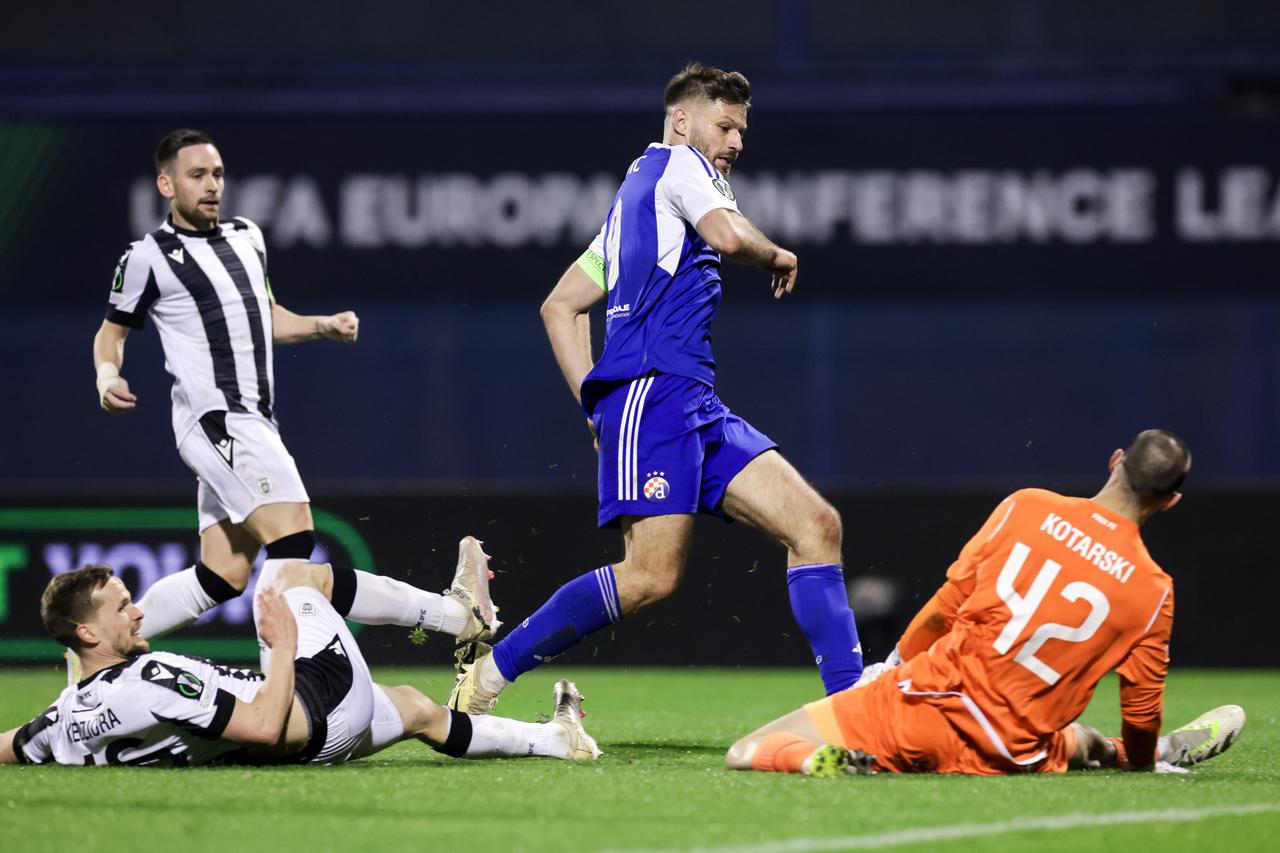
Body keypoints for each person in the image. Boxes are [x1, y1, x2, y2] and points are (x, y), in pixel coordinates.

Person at [448, 63, 862, 713]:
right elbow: (726, 235)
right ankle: (489, 674)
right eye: (725, 126)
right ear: (682, 121)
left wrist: (594, 405)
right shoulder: (679, 167)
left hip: (691, 402)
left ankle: (852, 710)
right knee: (649, 576)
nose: (736, 142)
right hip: (656, 393)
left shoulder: (633, 203)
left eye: (742, 131)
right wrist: (777, 253)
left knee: (816, 526)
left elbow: (560, 306)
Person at [93, 129, 487, 654]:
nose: (212, 185)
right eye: (197, 175)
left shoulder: (246, 236)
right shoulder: (147, 257)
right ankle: (447, 618)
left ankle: (100, 652)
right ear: (166, 184)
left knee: (222, 574)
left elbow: (267, 317)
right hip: (218, 420)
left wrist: (323, 325)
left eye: (217, 174)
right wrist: (108, 376)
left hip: (252, 419)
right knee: (295, 540)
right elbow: (111, 333)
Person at [725, 429, 1246, 776]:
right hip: (1014, 749)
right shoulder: (1153, 589)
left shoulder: (1028, 506)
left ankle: (816, 760)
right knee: (1083, 743)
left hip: (920, 708)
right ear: (1170, 501)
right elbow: (1141, 708)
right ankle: (1161, 754)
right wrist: (1143, 760)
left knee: (747, 750)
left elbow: (947, 605)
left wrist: (891, 667)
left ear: (1115, 461)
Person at [0, 562, 598, 767]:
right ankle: (459, 615)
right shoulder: (149, 679)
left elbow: (11, 745)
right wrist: (283, 646)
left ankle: (556, 741)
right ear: (86, 632)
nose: (138, 613)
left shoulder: (63, 719)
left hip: (297, 740)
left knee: (417, 708)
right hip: (314, 710)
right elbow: (265, 726)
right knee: (286, 577)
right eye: (122, 608)